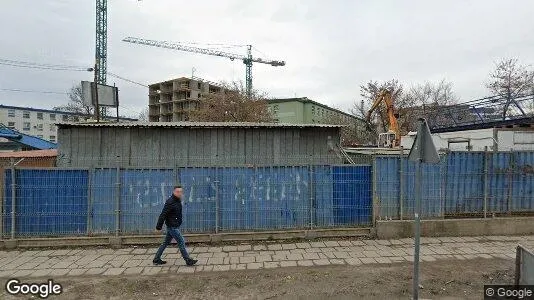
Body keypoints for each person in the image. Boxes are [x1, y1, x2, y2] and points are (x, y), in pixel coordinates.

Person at [153, 185, 197, 266]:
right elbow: (163, 214)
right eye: (177, 191)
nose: (179, 193)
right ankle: (188, 260)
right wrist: (158, 227)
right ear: (173, 192)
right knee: (181, 241)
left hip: (174, 225)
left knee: (165, 243)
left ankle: (156, 259)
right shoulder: (170, 201)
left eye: (181, 192)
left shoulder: (177, 200)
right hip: (172, 226)